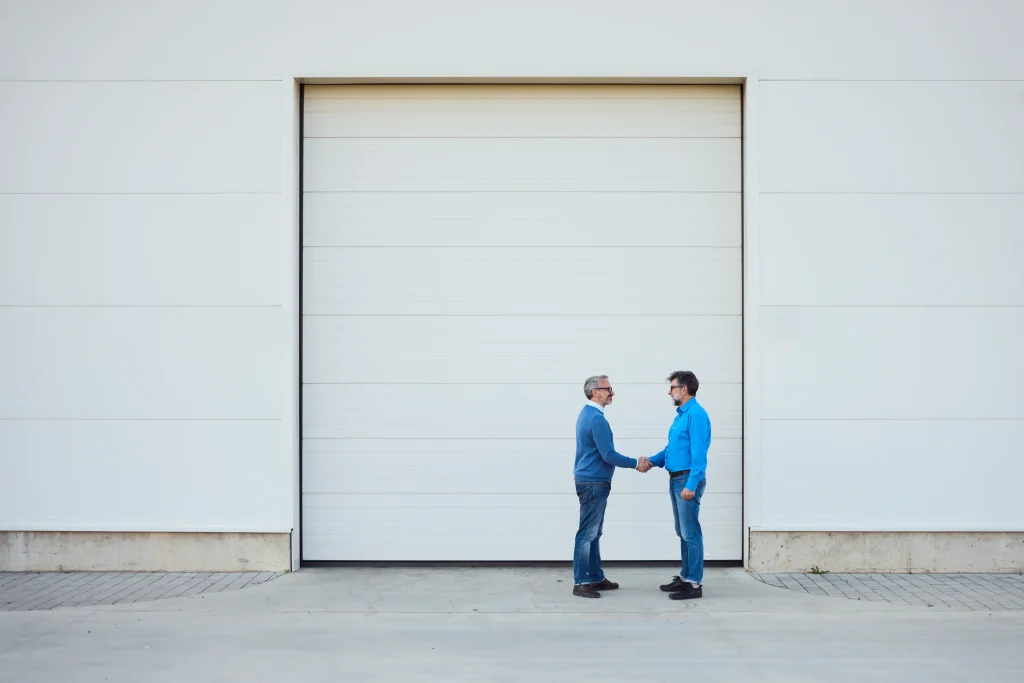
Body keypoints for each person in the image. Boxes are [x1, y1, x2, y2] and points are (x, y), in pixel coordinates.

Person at [572, 375, 652, 598]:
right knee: (587, 533)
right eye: (608, 389)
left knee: (594, 532)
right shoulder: (595, 418)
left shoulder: (588, 414)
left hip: (591, 480)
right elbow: (608, 455)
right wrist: (637, 463)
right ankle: (581, 581)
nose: (612, 392)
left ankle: (595, 576)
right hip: (593, 482)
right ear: (595, 392)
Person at [647, 370, 711, 600]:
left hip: (686, 480)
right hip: (676, 478)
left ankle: (694, 584)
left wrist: (691, 484)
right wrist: (652, 461)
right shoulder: (681, 415)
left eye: (672, 387)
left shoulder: (696, 415)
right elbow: (672, 450)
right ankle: (685, 577)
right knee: (682, 531)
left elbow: (699, 454)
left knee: (691, 532)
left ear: (684, 389)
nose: (670, 392)